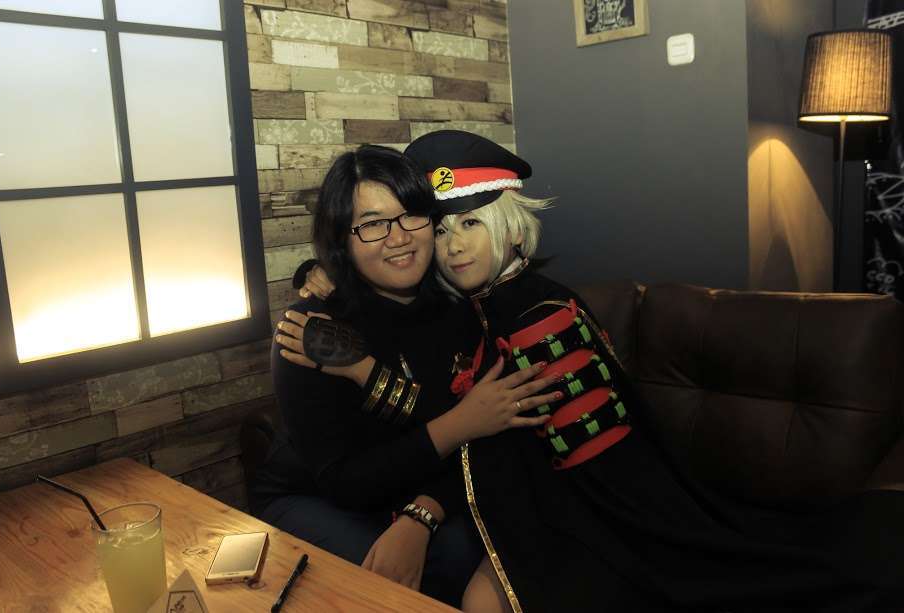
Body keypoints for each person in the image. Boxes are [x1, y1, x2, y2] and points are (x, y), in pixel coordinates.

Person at [294, 131, 904, 612]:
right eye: (443, 227)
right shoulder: (470, 307)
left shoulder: (535, 314)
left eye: (472, 224)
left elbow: (581, 459)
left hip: (593, 515)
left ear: (512, 231)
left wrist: (371, 380)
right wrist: (325, 279)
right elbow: (463, 422)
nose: (451, 246)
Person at [249, 143, 559, 608]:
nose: (398, 238)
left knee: (467, 549)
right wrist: (460, 425)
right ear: (342, 239)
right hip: (318, 494)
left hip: (416, 489)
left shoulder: (459, 306)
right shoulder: (314, 329)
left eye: (411, 215)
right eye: (373, 224)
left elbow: (484, 445)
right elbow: (344, 479)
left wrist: (424, 513)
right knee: (387, 579)